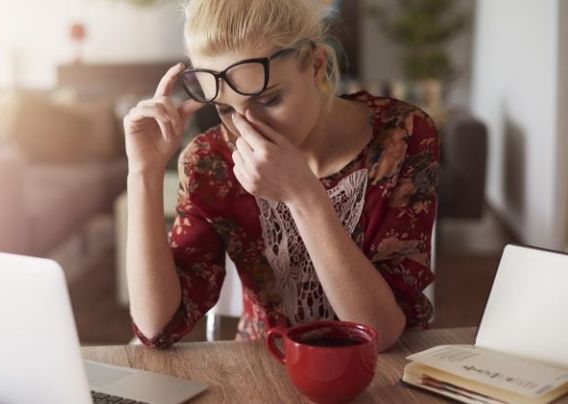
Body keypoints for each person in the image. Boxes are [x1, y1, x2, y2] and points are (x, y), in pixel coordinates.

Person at [122, 0, 438, 352]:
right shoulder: (211, 161)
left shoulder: (403, 135)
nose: (246, 129)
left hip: (385, 376)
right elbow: (158, 327)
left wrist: (304, 196)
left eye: (269, 100)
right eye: (225, 109)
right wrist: (143, 172)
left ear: (317, 65)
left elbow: (380, 333)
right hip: (265, 368)